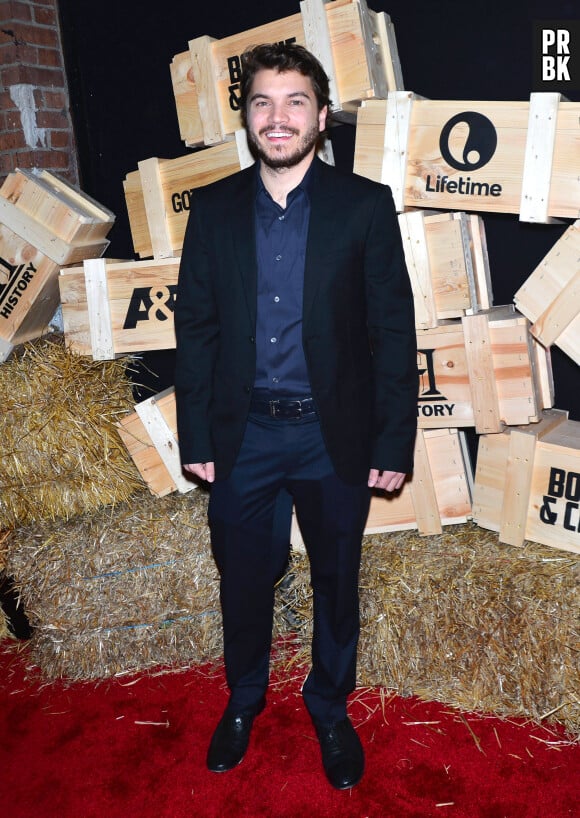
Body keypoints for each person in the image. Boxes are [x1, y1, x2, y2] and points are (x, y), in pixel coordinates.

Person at [174, 42, 418, 791]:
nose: (277, 119)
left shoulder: (364, 205)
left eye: (294, 103)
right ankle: (244, 700)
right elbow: (199, 330)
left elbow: (392, 331)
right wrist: (198, 435)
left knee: (335, 580)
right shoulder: (212, 209)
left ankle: (329, 705)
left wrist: (393, 439)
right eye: (262, 104)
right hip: (244, 438)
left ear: (320, 115)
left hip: (329, 436)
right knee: (242, 580)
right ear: (246, 117)